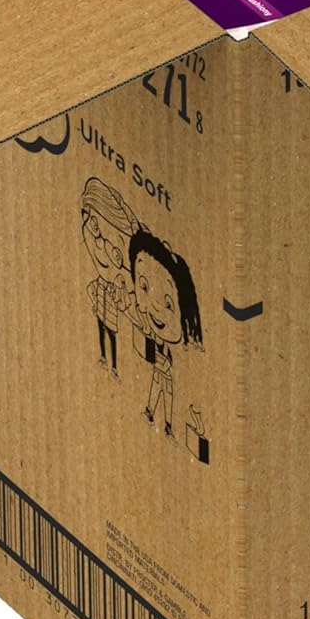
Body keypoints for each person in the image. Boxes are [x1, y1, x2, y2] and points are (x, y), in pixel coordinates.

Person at [128, 228, 203, 441]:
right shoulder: (147, 323)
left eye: (168, 304)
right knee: (158, 386)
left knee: (165, 389)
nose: (155, 307)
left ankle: (166, 423)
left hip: (165, 366)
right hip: (160, 364)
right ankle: (153, 414)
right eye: (143, 286)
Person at [80, 179, 139, 379]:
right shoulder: (95, 244)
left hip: (111, 296)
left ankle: (113, 366)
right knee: (101, 327)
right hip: (103, 295)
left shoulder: (110, 250)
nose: (92, 226)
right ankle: (104, 358)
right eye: (89, 220)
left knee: (111, 332)